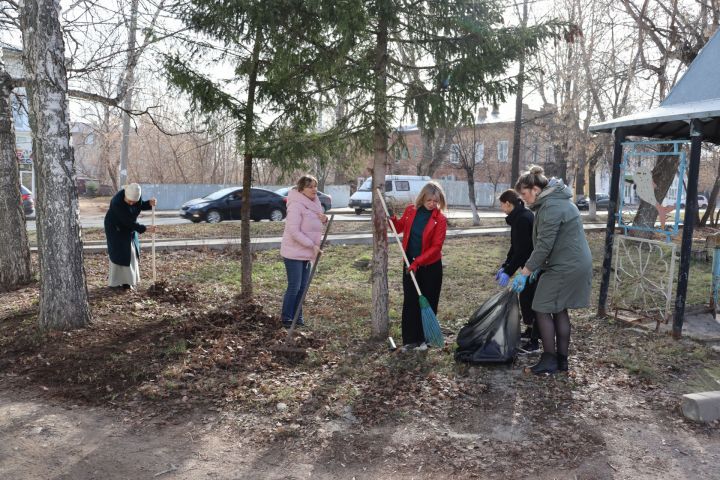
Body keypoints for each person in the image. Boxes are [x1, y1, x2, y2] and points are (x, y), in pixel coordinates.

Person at [511, 166, 592, 374]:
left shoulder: (551, 207)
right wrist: (539, 267)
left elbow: (544, 246)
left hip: (565, 266)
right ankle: (562, 362)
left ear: (536, 189)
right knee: (558, 308)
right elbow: (554, 243)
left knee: (541, 307)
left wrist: (526, 272)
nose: (523, 199)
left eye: (525, 193)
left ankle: (549, 359)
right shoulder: (557, 201)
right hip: (573, 263)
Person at [389, 181, 448, 352]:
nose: (433, 204)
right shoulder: (410, 211)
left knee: (428, 301)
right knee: (410, 301)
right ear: (422, 198)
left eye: (436, 201)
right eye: (429, 200)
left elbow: (436, 247)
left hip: (430, 266)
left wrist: (418, 262)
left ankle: (425, 339)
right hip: (409, 263)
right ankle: (410, 340)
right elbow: (399, 228)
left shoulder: (440, 220)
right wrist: (392, 219)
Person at [496, 189, 541, 354]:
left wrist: (509, 272)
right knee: (526, 299)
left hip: (533, 268)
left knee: (531, 302)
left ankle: (535, 341)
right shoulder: (519, 217)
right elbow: (514, 246)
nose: (501, 208)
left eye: (502, 205)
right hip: (527, 266)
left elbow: (522, 251)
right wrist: (505, 265)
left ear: (508, 203)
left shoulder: (522, 219)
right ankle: (530, 332)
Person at [280, 175, 328, 328]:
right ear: (301, 189)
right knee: (294, 286)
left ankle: (297, 317)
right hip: (293, 252)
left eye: (315, 186)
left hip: (306, 252)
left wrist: (324, 220)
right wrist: (311, 245)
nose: (314, 189)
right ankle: (287, 318)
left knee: (303, 287)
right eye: (310, 186)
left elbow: (313, 225)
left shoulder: (315, 204)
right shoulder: (295, 205)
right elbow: (293, 231)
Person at [104, 183, 157, 290]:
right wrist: (145, 228)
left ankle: (128, 282)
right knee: (120, 253)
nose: (132, 203)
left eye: (134, 201)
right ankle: (115, 283)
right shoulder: (117, 202)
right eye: (129, 201)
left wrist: (148, 204)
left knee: (132, 252)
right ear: (125, 196)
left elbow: (139, 205)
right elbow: (127, 221)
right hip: (116, 229)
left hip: (129, 228)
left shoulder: (136, 196)